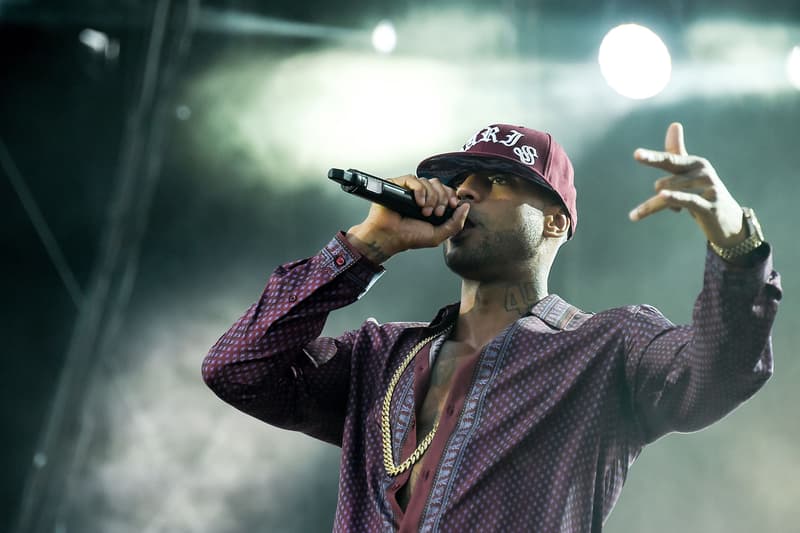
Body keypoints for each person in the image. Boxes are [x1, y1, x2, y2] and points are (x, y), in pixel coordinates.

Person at [202, 122, 781, 532]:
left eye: (498, 182)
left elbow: (720, 373)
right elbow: (236, 368)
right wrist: (368, 245)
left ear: (555, 219)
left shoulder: (608, 349)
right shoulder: (377, 355)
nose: (467, 191)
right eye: (463, 180)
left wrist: (734, 239)